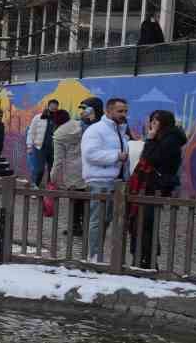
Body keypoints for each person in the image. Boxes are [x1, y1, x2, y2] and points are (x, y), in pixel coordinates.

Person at [131, 109, 187, 269]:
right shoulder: (164, 137)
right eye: (152, 121)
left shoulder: (171, 139)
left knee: (146, 222)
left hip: (155, 185)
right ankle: (142, 257)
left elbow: (151, 158)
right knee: (141, 222)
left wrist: (150, 139)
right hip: (149, 184)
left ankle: (147, 259)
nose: (153, 125)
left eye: (156, 121)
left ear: (164, 122)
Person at [81, 97, 132, 262]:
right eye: (120, 111)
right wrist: (116, 156)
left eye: (125, 111)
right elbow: (90, 154)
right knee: (98, 220)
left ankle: (108, 257)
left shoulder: (121, 131)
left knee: (110, 221)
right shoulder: (96, 130)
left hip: (116, 181)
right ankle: (94, 256)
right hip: (99, 180)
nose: (123, 114)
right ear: (108, 111)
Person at [52, 99, 95, 235]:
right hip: (87, 167)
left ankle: (75, 226)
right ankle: (85, 225)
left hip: (72, 171)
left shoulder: (58, 135)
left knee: (74, 200)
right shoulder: (80, 125)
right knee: (84, 198)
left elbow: (58, 160)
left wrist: (53, 177)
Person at [25, 99, 59, 186]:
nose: (54, 108)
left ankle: (49, 189)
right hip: (40, 147)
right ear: (48, 106)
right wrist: (29, 145)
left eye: (55, 107)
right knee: (39, 170)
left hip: (53, 148)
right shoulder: (38, 117)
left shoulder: (58, 120)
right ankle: (35, 186)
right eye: (52, 106)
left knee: (52, 170)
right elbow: (31, 131)